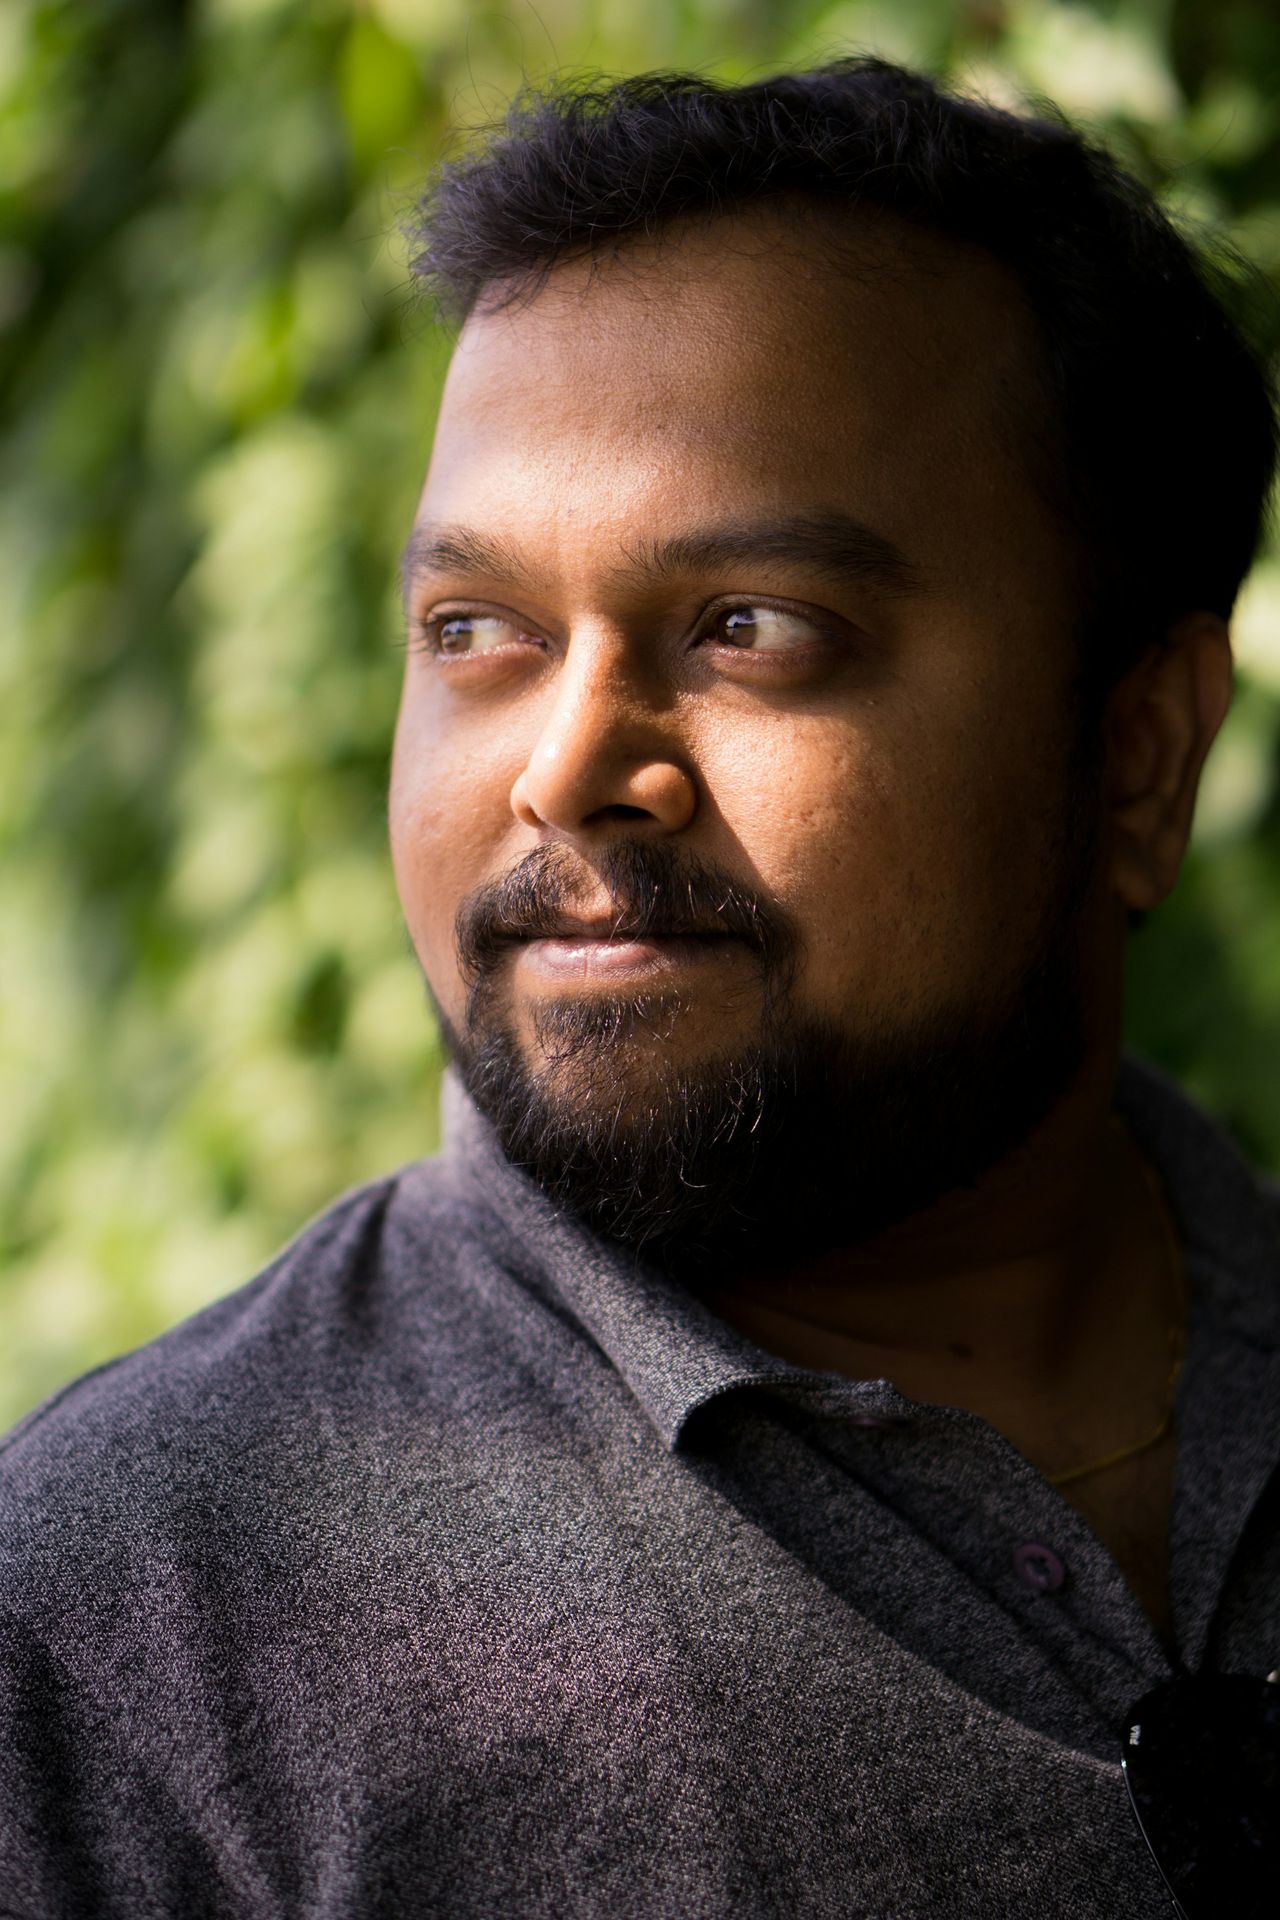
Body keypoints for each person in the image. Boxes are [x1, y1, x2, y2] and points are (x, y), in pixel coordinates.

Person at [2, 55, 1278, 1919]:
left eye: (751, 628)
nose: (565, 764)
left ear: (1142, 755)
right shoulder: (127, 1621)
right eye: (479, 634)